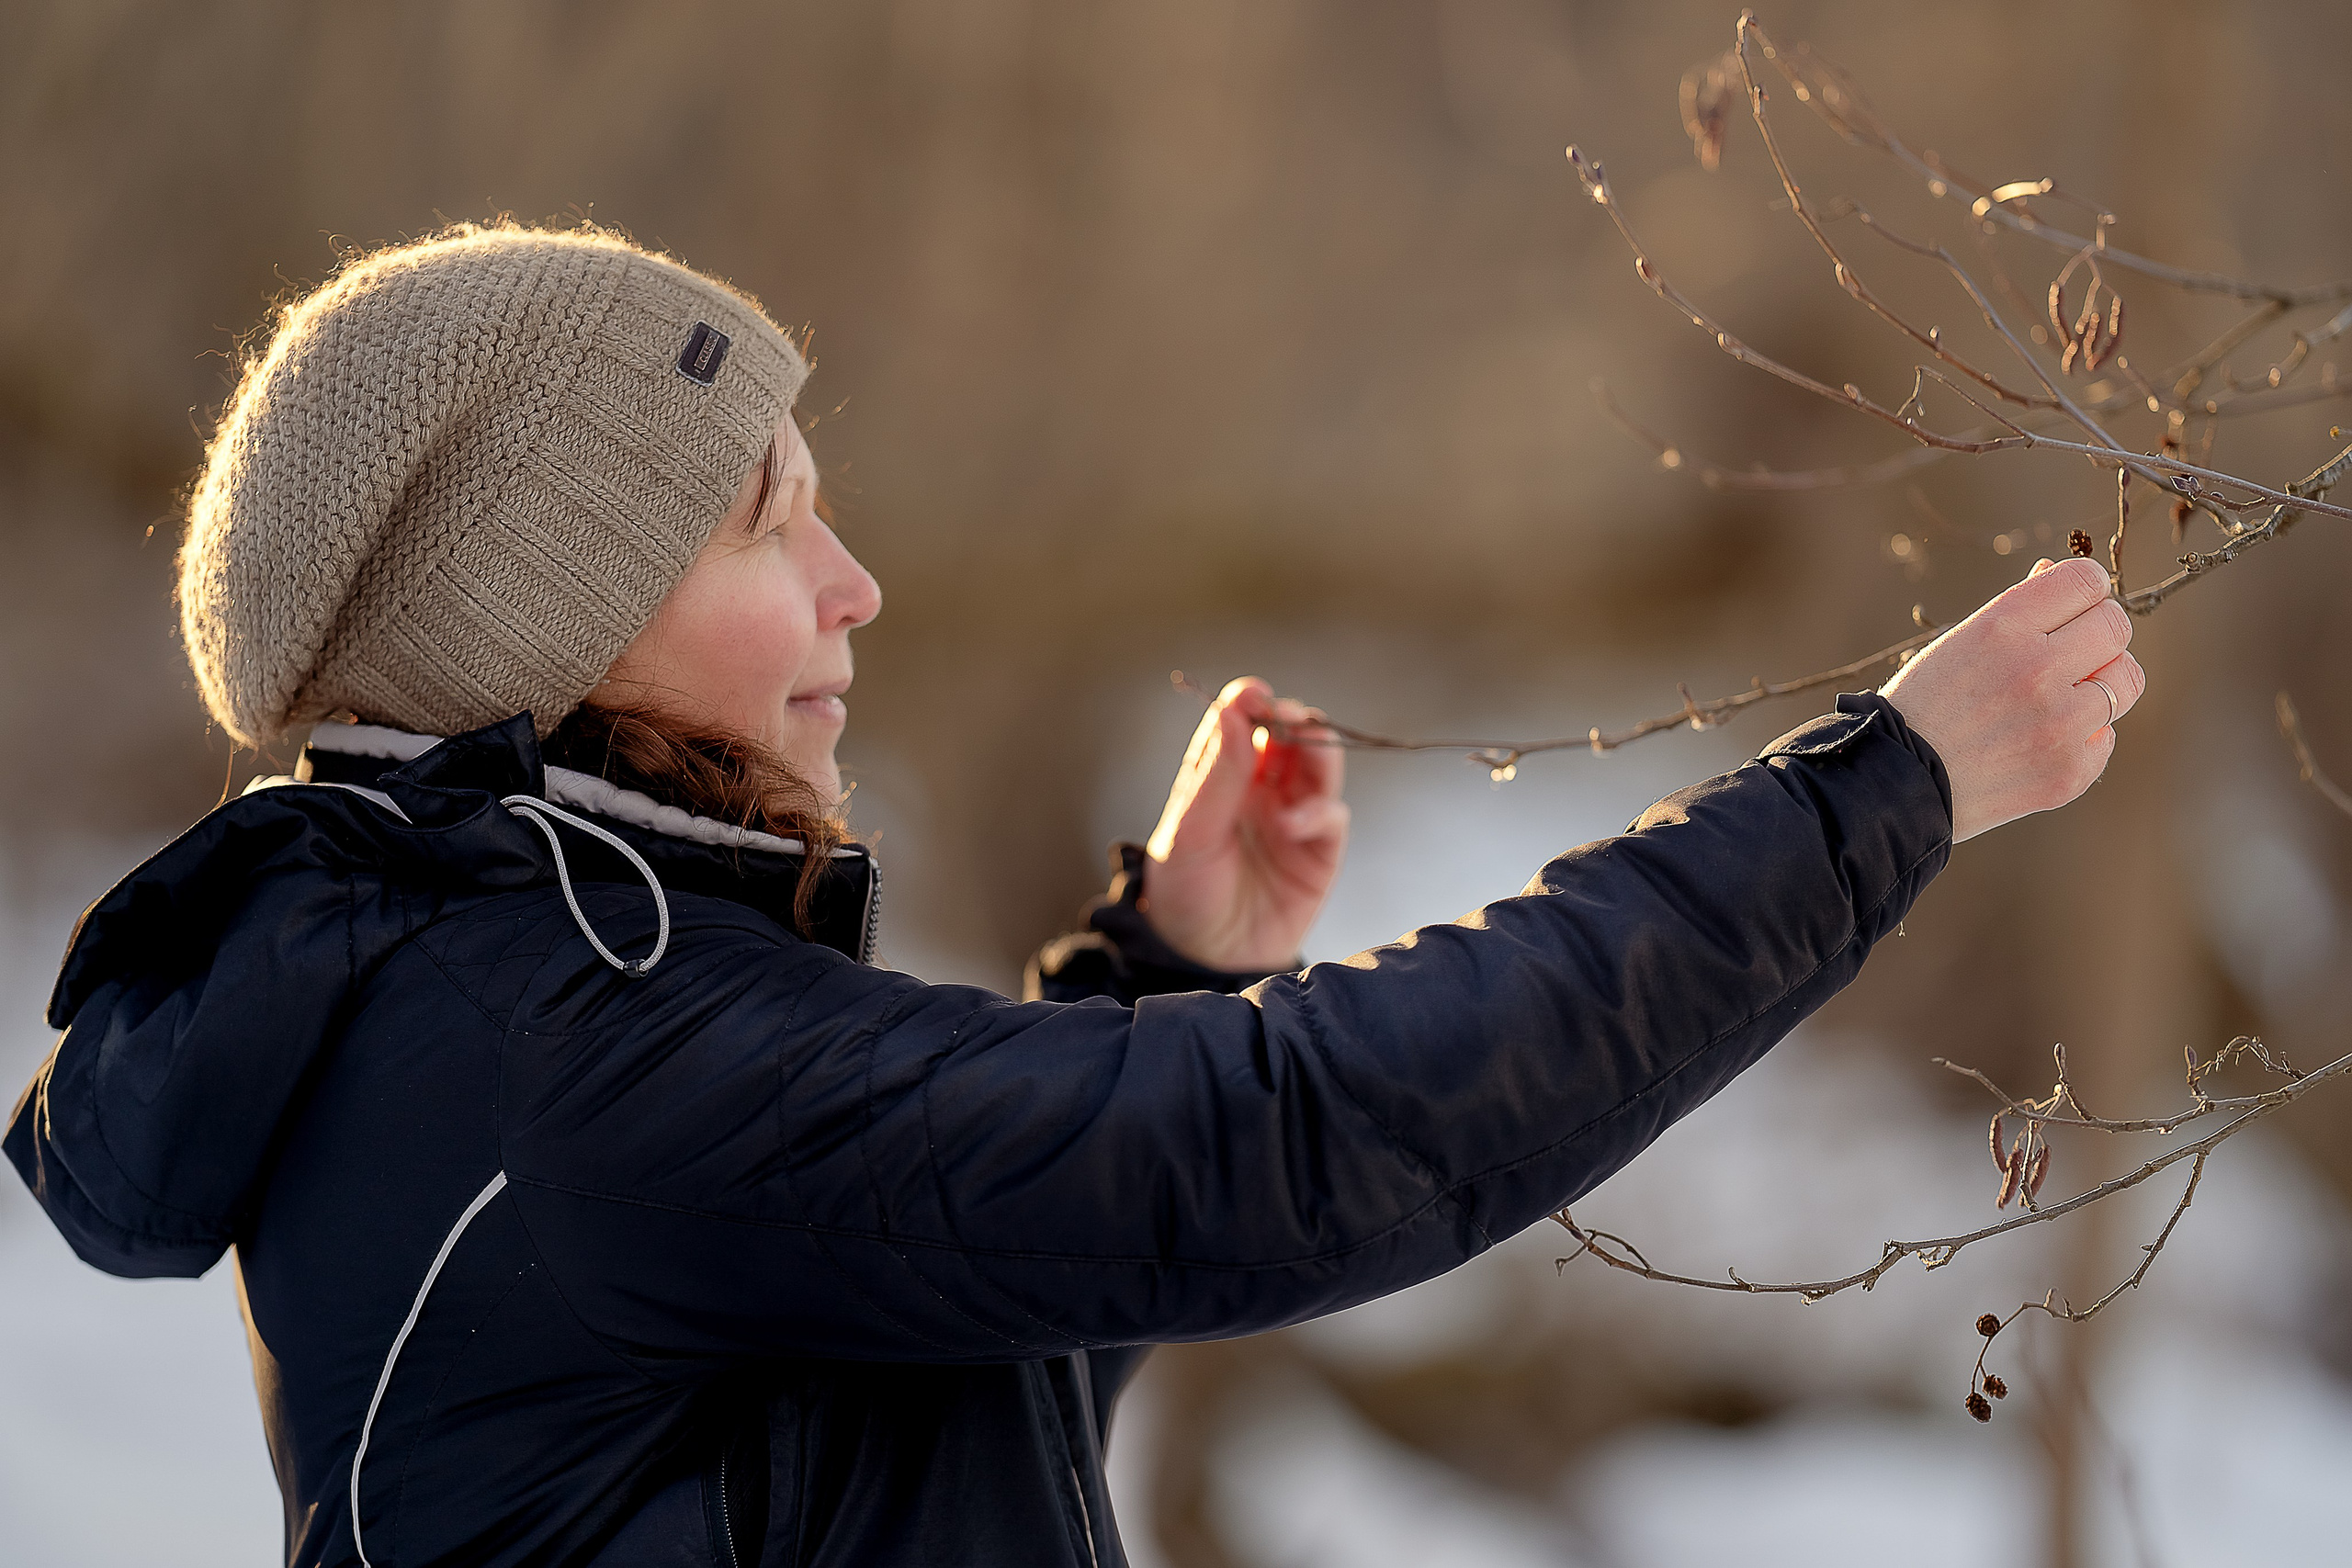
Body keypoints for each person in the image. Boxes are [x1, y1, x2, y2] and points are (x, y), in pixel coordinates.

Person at [5, 223, 2142, 1568]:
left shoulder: (490, 984)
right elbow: (1282, 1147)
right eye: (770, 528)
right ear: (551, 619)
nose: (857, 588)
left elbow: (903, 1382)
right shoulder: (571, 1047)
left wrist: (1157, 971)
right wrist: (1883, 793)